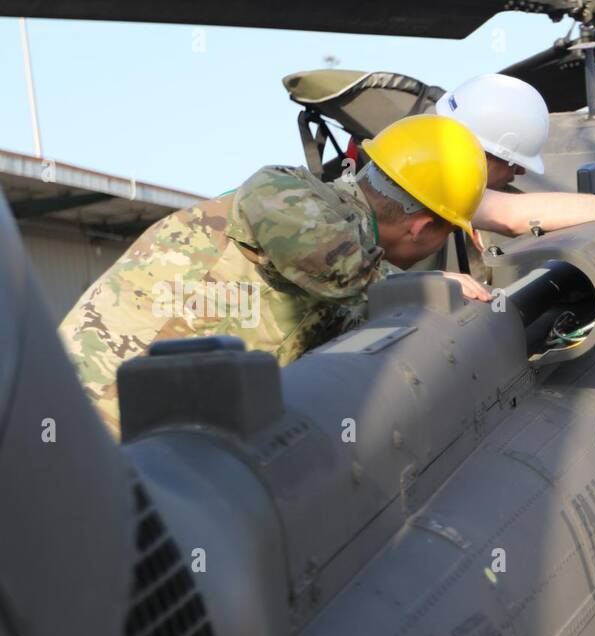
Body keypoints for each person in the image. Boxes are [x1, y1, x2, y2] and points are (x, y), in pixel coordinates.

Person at [60, 114, 488, 438]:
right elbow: (325, 258)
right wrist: (420, 290)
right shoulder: (296, 195)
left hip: (140, 440)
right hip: (91, 421)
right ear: (423, 227)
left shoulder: (350, 245)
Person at [434, 74, 595, 264]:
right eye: (515, 162)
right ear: (481, 153)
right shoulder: (430, 182)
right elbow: (512, 216)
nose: (520, 173)